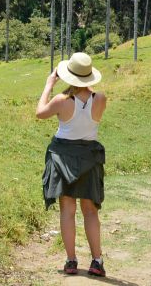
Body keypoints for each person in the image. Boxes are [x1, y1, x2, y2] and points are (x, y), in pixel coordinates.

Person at [35, 52, 107, 277]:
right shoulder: (101, 99)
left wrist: (48, 85)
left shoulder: (61, 101)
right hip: (89, 157)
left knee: (67, 210)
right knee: (90, 211)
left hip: (63, 157)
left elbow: (39, 113)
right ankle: (97, 261)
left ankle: (71, 260)